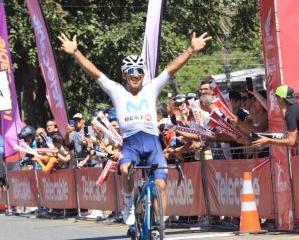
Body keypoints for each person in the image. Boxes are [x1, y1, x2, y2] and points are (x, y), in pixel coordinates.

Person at [58, 31, 211, 230]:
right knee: (125, 169)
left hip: (153, 144)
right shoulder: (117, 91)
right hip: (131, 145)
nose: (136, 74)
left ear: (144, 74)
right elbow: (95, 72)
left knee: (161, 185)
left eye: (139, 70)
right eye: (131, 70)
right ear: (125, 74)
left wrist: (191, 49)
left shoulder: (151, 88)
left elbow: (171, 69)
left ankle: (159, 222)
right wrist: (76, 52)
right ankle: (129, 202)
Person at [253, 85, 299, 155]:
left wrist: (268, 140)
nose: (276, 100)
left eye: (276, 98)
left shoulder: (290, 113)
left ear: (281, 99)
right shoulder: (296, 105)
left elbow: (291, 141)